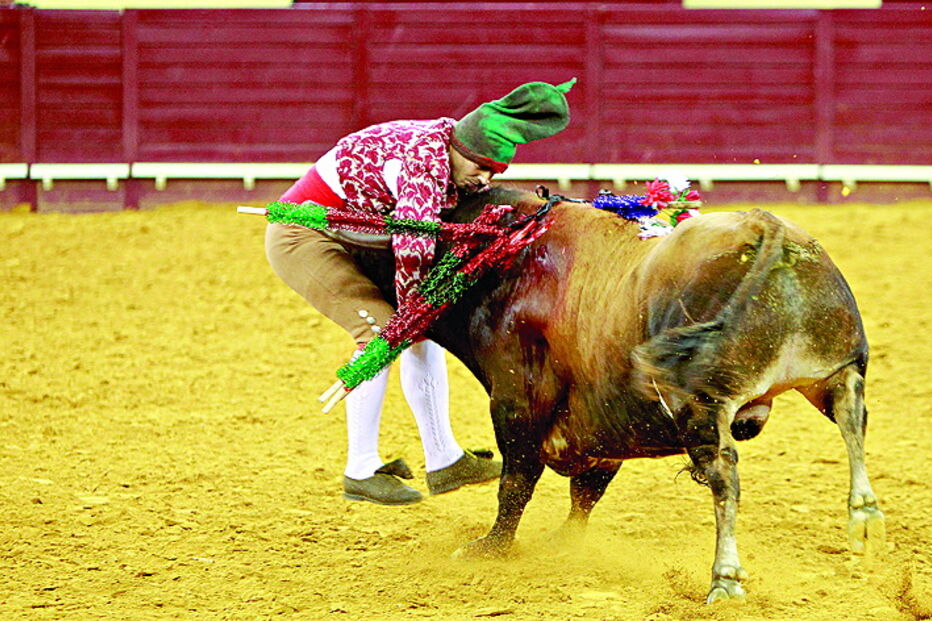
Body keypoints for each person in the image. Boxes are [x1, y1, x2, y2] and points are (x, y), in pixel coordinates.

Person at [265, 79, 575, 505]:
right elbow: (413, 249)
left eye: (493, 172)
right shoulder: (423, 163)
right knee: (380, 335)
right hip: (305, 236)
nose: (483, 180)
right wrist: (419, 310)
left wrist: (421, 318)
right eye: (480, 168)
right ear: (459, 150)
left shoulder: (451, 147)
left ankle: (445, 459)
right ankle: (361, 469)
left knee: (419, 335)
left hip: (357, 237)